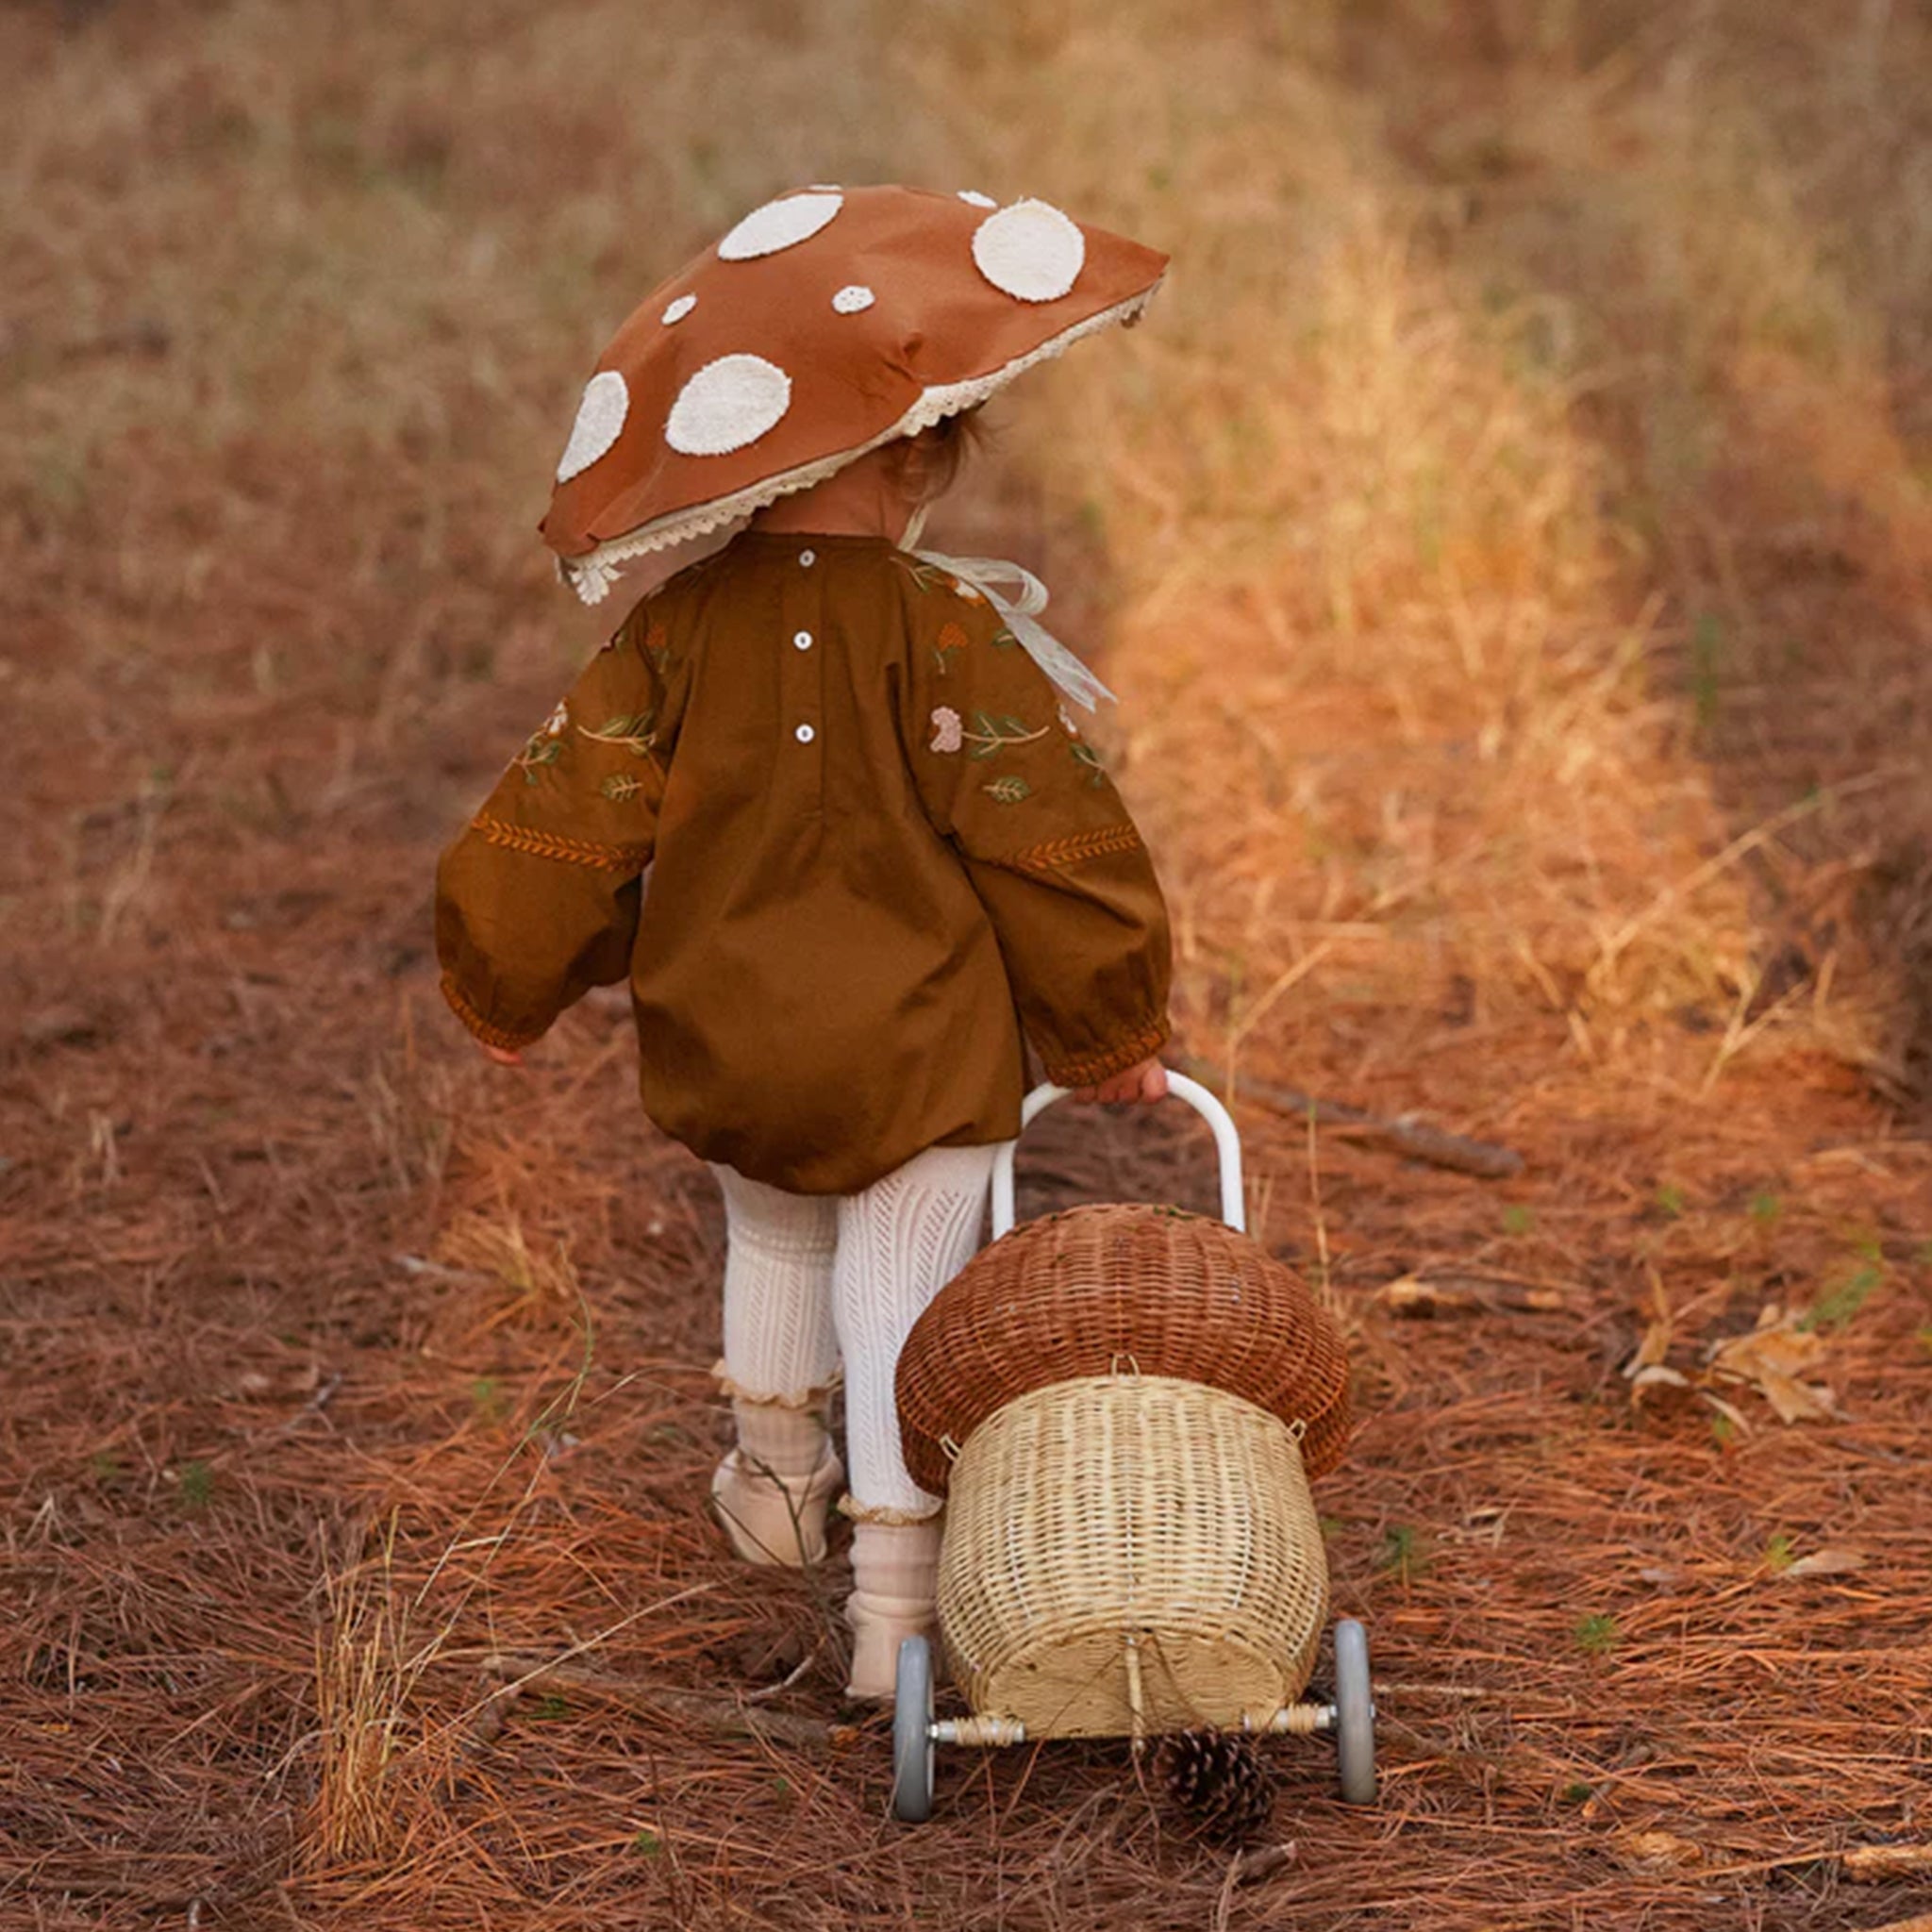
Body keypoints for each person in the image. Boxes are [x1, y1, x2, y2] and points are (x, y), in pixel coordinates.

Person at [434, 184, 1174, 1698]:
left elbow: (568, 818)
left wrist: (507, 978)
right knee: (898, 1276)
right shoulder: (947, 630)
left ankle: (773, 1485)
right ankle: (893, 1603)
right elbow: (1049, 841)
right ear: (911, 450)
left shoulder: (667, 629)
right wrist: (1114, 1027)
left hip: (732, 1031)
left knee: (770, 1230)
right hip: (917, 1043)